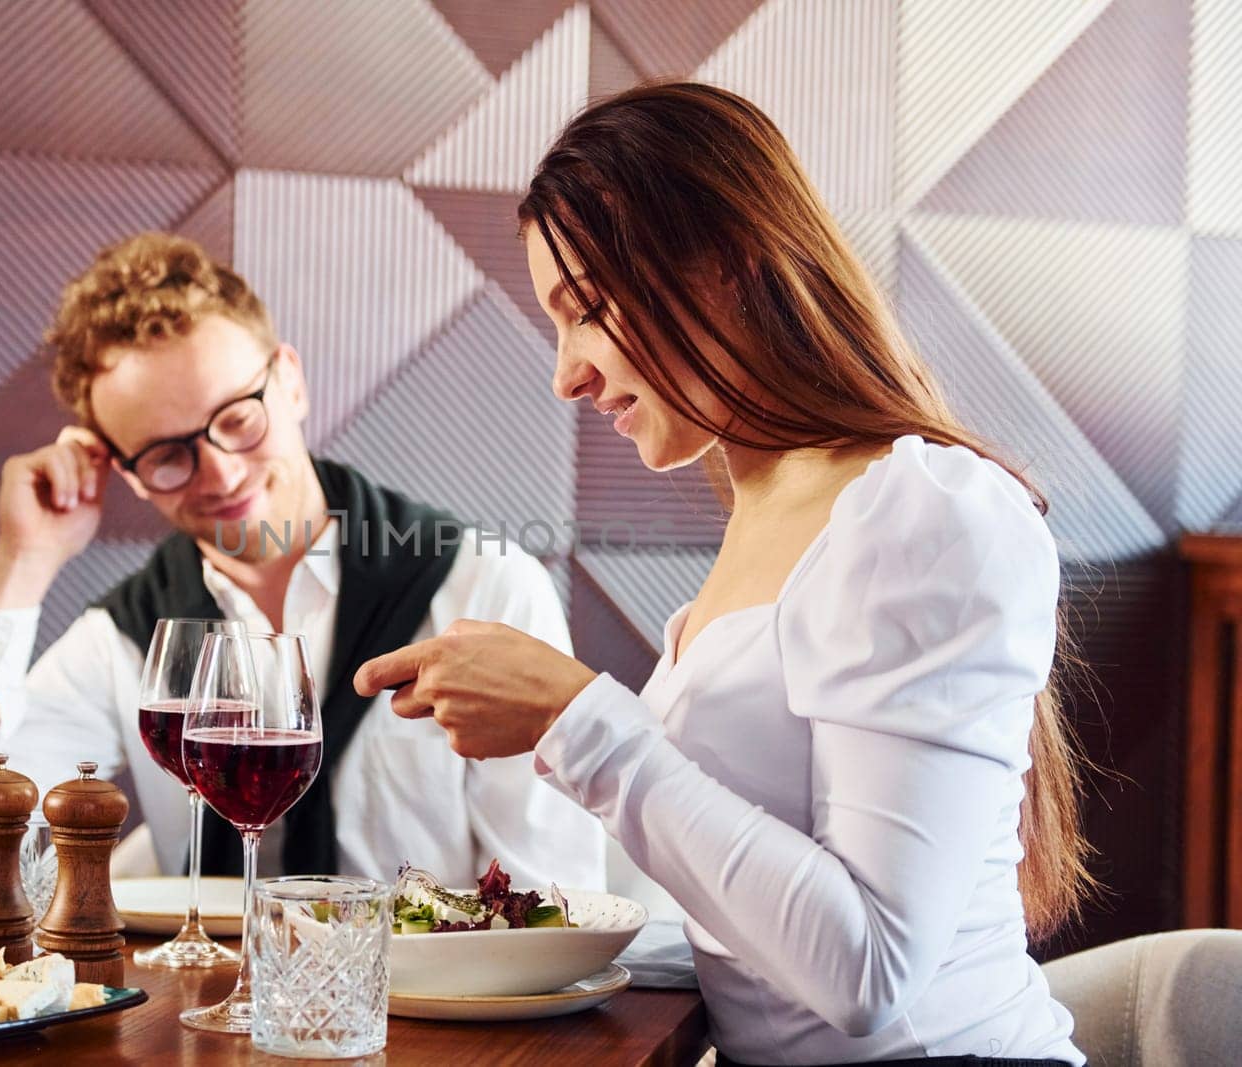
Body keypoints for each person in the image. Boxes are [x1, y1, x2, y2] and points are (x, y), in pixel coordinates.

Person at [355, 83, 1089, 1066]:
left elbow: (867, 972)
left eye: (588, 311)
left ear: (724, 267)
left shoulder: (919, 509)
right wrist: (488, 947)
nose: (564, 372)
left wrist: (576, 719)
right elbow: (761, 932)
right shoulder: (770, 508)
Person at [0, 232, 605, 893]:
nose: (217, 473)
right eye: (165, 455)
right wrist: (19, 564)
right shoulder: (129, 639)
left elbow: (555, 900)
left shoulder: (484, 589)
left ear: (290, 380)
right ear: (123, 471)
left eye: (237, 419)